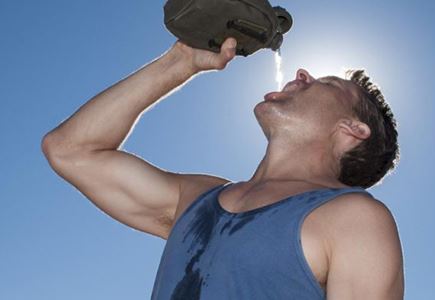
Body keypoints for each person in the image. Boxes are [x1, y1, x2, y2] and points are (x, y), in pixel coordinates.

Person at [42, 37, 404, 299]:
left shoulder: (353, 217)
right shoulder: (197, 198)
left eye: (326, 84)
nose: (303, 73)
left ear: (353, 130)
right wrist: (180, 61)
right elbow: (69, 150)